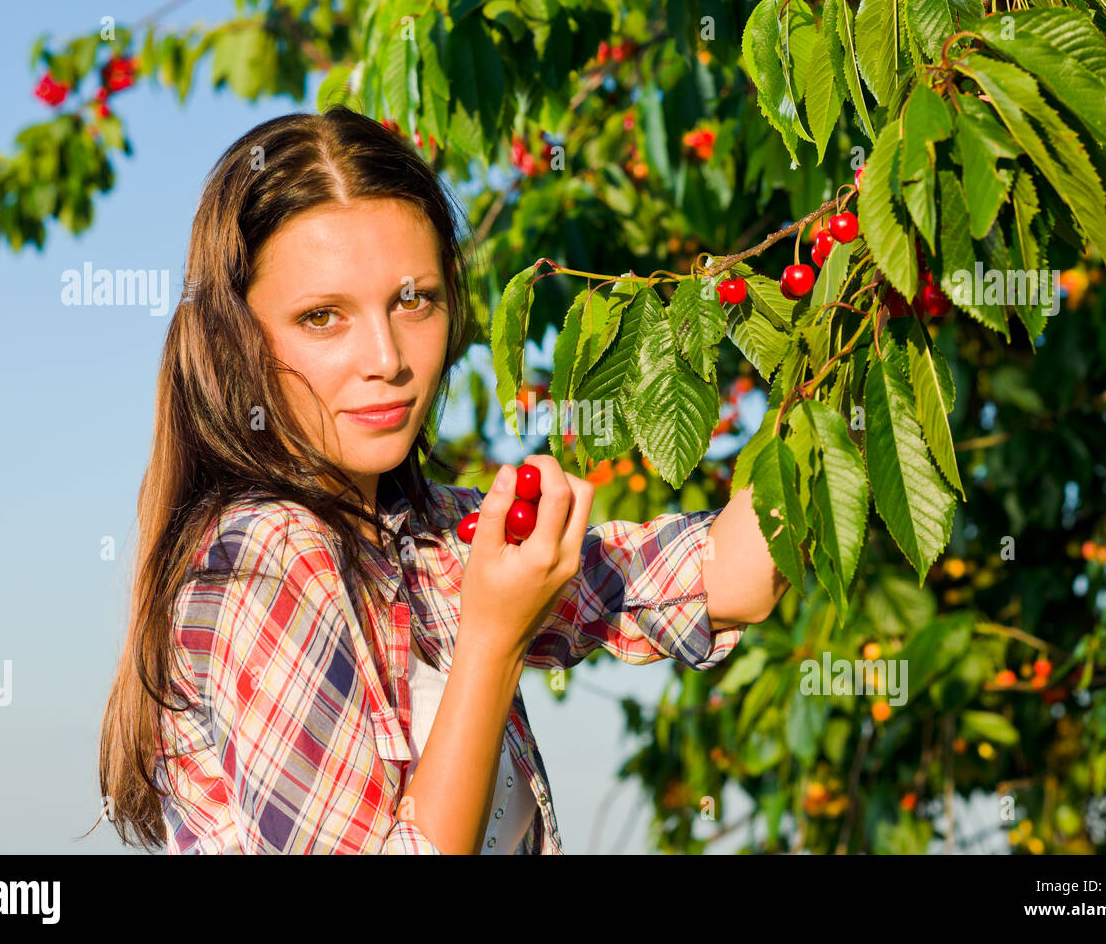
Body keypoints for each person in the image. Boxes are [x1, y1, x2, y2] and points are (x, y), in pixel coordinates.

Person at [96, 105, 789, 855]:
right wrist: (492, 639)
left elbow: (727, 579)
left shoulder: (429, 545)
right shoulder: (265, 556)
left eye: (412, 300)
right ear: (237, 339)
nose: (387, 357)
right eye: (323, 317)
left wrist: (844, 357)